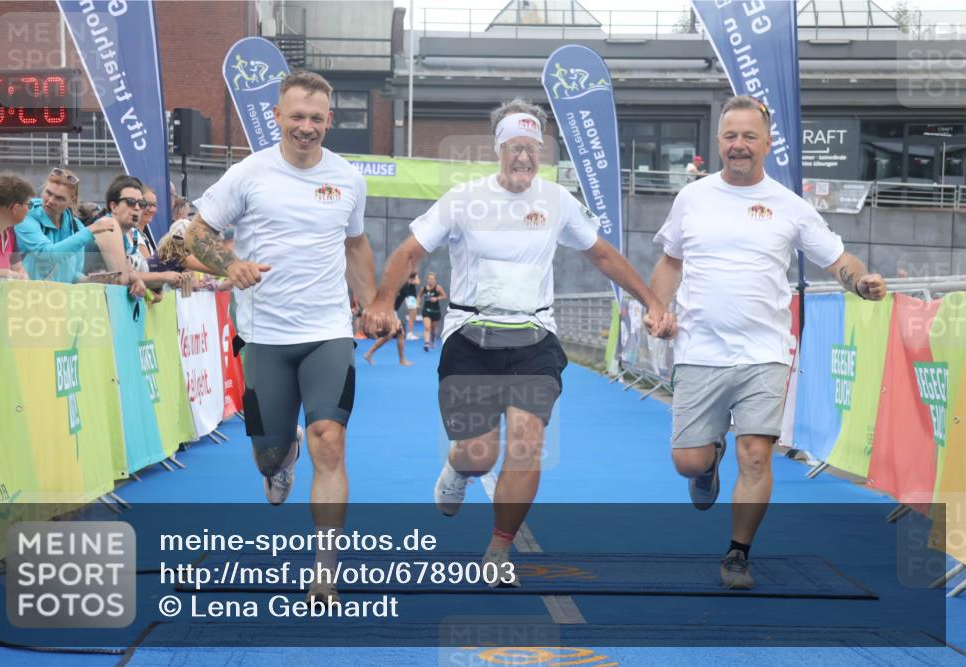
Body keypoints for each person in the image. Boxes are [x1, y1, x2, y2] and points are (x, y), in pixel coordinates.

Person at [365, 98, 674, 585]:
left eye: (533, 148)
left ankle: (499, 548)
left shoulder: (556, 202)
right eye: (515, 148)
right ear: (498, 149)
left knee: (528, 444)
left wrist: (651, 302)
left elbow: (604, 256)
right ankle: (456, 468)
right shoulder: (464, 199)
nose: (524, 158)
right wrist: (383, 301)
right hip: (469, 337)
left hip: (534, 339)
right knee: (478, 455)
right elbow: (409, 251)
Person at [649, 95, 887, 590]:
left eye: (749, 137)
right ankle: (706, 464)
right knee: (686, 461)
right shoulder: (692, 198)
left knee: (756, 454)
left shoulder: (789, 206)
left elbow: (839, 260)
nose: (739, 145)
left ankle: (738, 554)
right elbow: (671, 260)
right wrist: (659, 306)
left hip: (766, 353)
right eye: (731, 136)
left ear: (767, 143)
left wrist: (860, 283)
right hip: (700, 350)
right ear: (718, 142)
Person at [187, 70, 385, 603]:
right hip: (263, 335)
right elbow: (196, 234)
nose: (306, 127)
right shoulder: (249, 174)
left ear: (329, 121)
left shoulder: (347, 178)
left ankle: (324, 569)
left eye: (317, 118)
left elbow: (356, 245)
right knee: (268, 456)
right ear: (277, 117)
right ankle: (282, 455)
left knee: (331, 439)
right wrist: (232, 264)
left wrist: (373, 304)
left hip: (326, 331)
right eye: (296, 116)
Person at [15, 167, 145, 297]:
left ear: (72, 201)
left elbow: (74, 275)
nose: (50, 201)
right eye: (48, 193)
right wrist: (90, 230)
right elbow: (47, 254)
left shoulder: (76, 226)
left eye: (59, 198)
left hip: (57, 303)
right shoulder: (26, 214)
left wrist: (93, 280)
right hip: (26, 299)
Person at [419, 272, 446, 351]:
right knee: (427, 327)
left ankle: (433, 340)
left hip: (435, 311)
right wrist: (417, 303)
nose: (431, 280)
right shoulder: (423, 288)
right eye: (430, 279)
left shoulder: (438, 288)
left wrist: (437, 298)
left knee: (433, 329)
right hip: (426, 310)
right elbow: (419, 296)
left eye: (432, 279)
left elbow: (444, 296)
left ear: (435, 280)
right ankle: (426, 344)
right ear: (427, 280)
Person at [402, 271, 421, 339]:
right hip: (409, 297)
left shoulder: (413, 274)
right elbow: (414, 282)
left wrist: (415, 275)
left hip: (413, 297)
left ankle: (410, 333)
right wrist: (411, 280)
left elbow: (418, 282)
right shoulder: (405, 274)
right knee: (411, 316)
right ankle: (409, 334)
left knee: (413, 316)